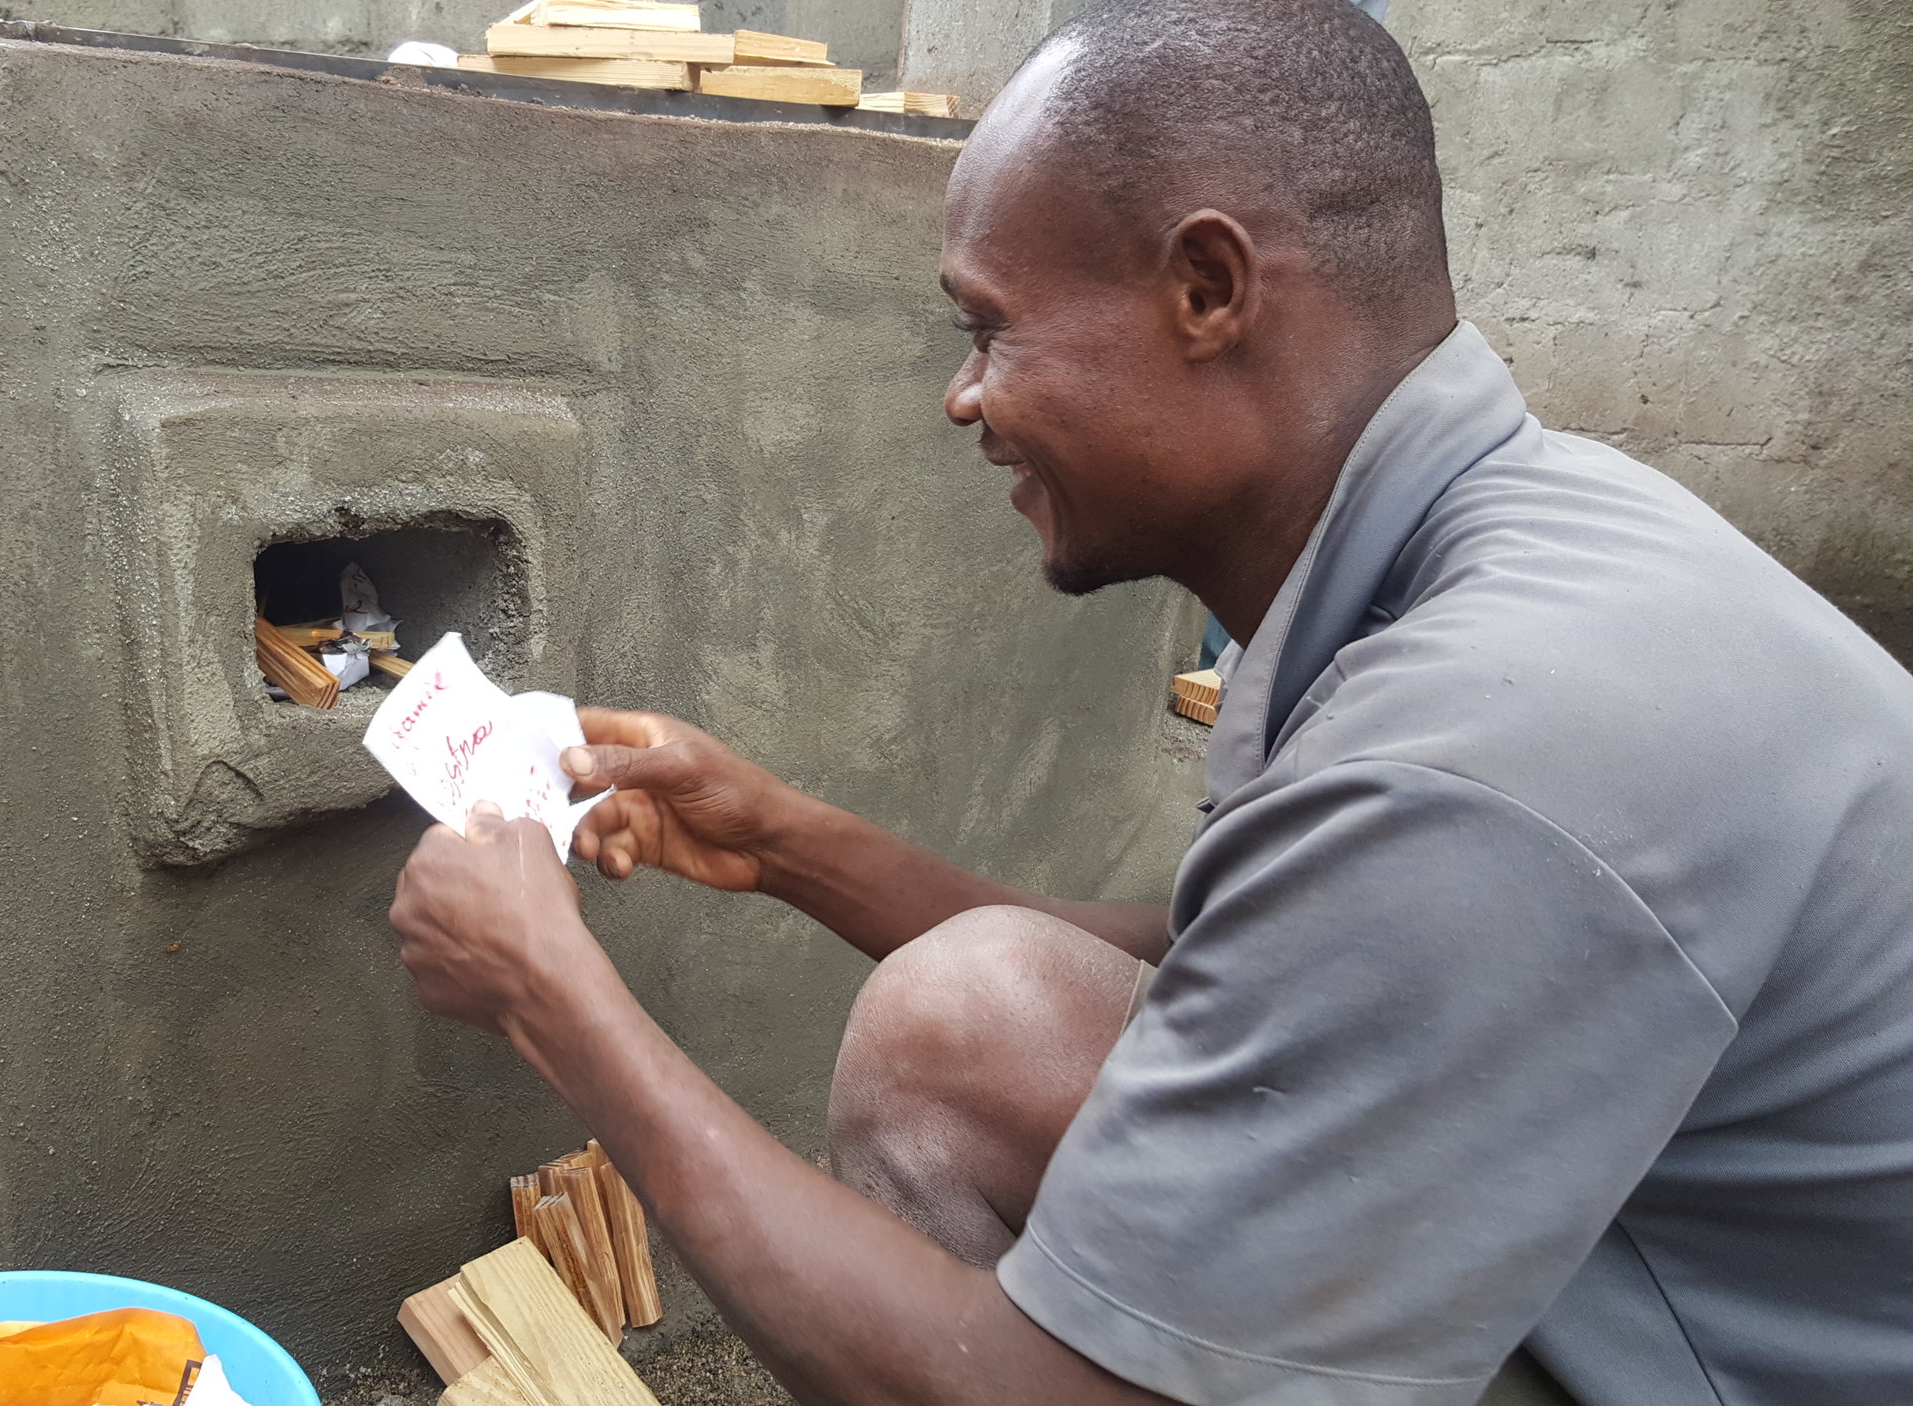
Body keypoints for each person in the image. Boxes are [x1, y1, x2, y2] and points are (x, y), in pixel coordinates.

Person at [386, 0, 1913, 1402]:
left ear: (1207, 288)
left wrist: (557, 1001)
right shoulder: (1455, 562)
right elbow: (1246, 980)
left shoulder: (1488, 745)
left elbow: (1061, 1388)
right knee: (969, 1025)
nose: (964, 398)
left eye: (989, 327)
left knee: (967, 1047)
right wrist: (784, 840)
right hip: (1617, 1267)